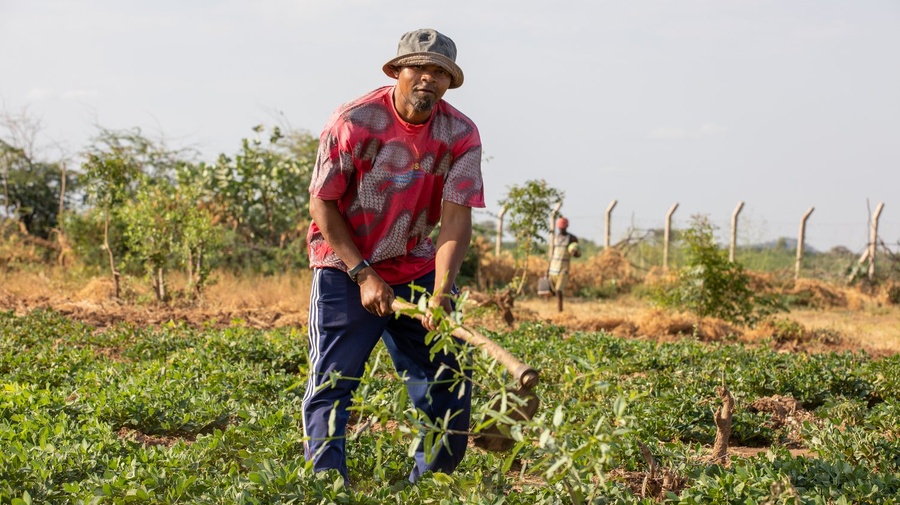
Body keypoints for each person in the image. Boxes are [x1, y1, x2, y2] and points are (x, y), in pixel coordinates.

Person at [301, 28, 484, 485]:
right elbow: (322, 204)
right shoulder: (355, 121)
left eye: (440, 72)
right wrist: (363, 274)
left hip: (419, 266)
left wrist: (442, 292)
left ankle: (430, 486)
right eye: (419, 67)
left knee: (447, 381)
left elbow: (455, 221)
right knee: (333, 381)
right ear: (396, 71)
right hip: (345, 265)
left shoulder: (460, 133)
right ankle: (327, 485)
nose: (429, 78)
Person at [548, 216, 580, 312]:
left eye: (563, 227)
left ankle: (560, 311)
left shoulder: (572, 238)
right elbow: (552, 254)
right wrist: (547, 270)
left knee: (559, 290)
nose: (561, 229)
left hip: (564, 269)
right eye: (560, 227)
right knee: (552, 291)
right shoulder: (555, 238)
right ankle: (556, 308)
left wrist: (575, 253)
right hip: (553, 268)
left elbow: (578, 254)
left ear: (567, 226)